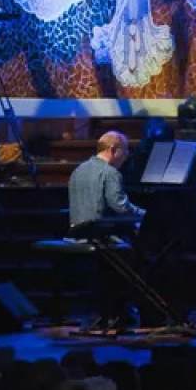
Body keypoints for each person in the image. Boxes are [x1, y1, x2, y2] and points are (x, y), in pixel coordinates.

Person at [68, 131, 150, 329]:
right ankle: (127, 310)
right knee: (140, 255)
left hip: (77, 233)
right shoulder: (111, 173)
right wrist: (146, 214)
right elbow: (121, 207)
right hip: (99, 235)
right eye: (125, 151)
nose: (127, 157)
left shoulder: (79, 169)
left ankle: (117, 310)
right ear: (113, 150)